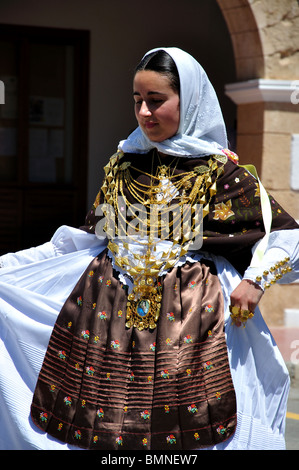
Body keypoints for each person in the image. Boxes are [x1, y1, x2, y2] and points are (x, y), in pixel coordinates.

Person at [0, 47, 298, 451]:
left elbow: (285, 234)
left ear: (188, 100)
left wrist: (255, 280)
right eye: (138, 101)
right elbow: (85, 241)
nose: (144, 112)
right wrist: (10, 266)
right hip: (106, 315)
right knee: (106, 424)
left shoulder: (222, 173)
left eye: (156, 101)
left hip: (194, 317)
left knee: (186, 428)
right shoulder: (125, 164)